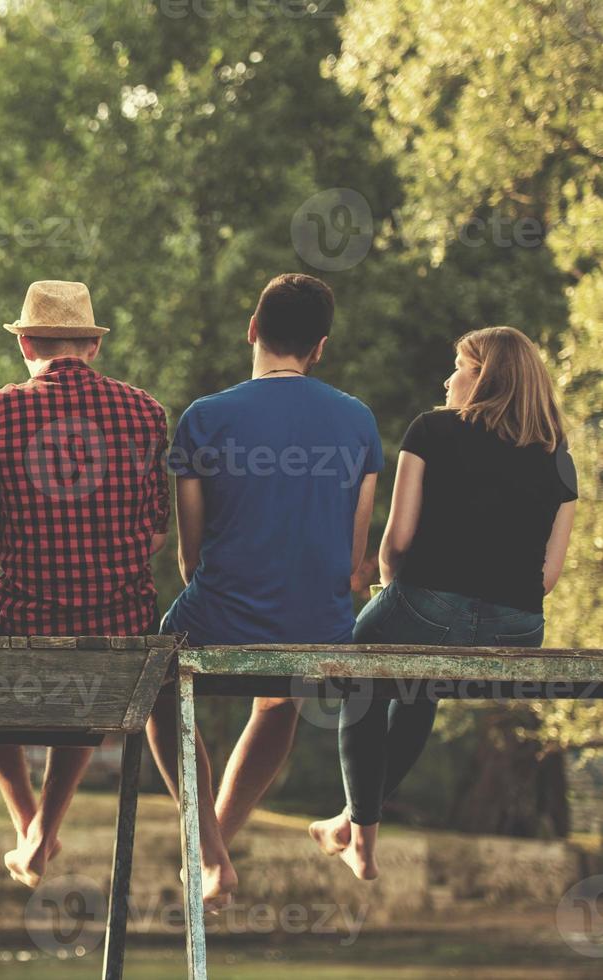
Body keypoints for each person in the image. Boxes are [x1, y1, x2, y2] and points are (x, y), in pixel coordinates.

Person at [147, 273, 382, 909]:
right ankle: (214, 848)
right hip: (323, 622)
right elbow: (354, 559)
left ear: (253, 330)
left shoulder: (205, 418)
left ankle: (208, 850)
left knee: (157, 683)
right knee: (278, 699)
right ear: (321, 348)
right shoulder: (359, 422)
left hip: (222, 610)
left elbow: (189, 554)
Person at [310, 326, 577, 880]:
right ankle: (348, 823)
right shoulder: (559, 456)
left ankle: (361, 835)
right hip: (518, 629)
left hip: (426, 604)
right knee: (419, 683)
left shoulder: (430, 430)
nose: (448, 377)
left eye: (460, 365)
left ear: (487, 378)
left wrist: (393, 592)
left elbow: (398, 542)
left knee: (365, 672)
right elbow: (548, 576)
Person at [0, 280, 170, 888]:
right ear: (93, 347)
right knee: (93, 654)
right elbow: (157, 537)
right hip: (122, 626)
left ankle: (29, 823)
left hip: (24, 619)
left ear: (25, 343)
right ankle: (40, 832)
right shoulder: (146, 410)